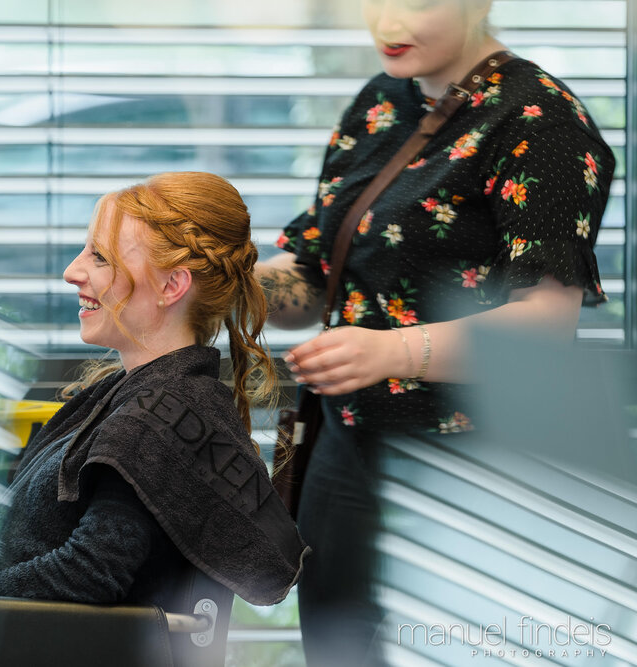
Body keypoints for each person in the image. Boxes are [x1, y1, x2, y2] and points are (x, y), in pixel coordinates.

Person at [255, 1, 615, 664]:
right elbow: (315, 276)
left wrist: (389, 349)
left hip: (474, 468)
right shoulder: (383, 99)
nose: (389, 23)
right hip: (348, 444)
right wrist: (231, 287)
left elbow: (544, 326)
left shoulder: (543, 120)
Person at [0, 171, 308, 665]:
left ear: (173, 285)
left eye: (99, 257)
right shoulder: (158, 399)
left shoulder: (156, 420)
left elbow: (90, 572)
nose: (72, 271)